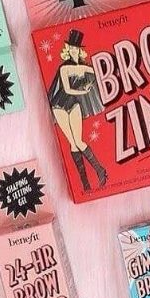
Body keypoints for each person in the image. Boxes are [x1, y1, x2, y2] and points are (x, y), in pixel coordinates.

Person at [48, 30, 107, 192]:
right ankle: (85, 182)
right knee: (73, 143)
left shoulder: (85, 67)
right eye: (71, 47)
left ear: (80, 50)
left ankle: (100, 170)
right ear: (68, 49)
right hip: (59, 105)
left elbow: (98, 72)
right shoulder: (64, 67)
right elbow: (67, 89)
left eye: (76, 48)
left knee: (78, 141)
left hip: (74, 104)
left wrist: (89, 84)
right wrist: (83, 91)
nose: (74, 50)